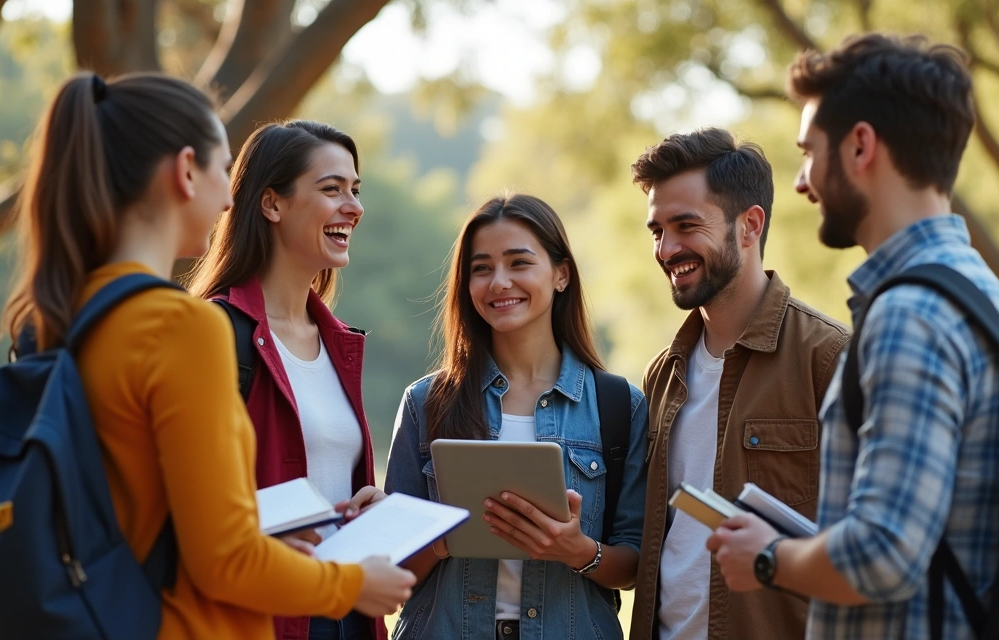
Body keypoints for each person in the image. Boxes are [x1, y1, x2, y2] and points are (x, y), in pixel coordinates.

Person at [0, 72, 414, 639]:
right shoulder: (189, 328)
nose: (227, 200)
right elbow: (223, 556)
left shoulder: (57, 316)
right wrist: (353, 584)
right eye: (223, 171)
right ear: (185, 171)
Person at [706, 34, 999, 639]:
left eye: (810, 152)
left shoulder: (909, 315)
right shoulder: (988, 298)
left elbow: (882, 555)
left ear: (861, 145)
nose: (803, 182)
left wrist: (768, 556)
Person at [384, 194, 648, 640]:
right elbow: (392, 567)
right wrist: (445, 538)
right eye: (481, 268)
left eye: (519, 263)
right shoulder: (425, 402)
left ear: (561, 274)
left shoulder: (620, 405)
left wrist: (579, 550)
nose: (499, 282)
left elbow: (637, 563)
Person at [627, 128, 849, 640]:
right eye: (657, 231)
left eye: (686, 225)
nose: (667, 248)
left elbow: (875, 550)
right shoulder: (661, 375)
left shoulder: (830, 358)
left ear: (749, 225)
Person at [188, 119, 387, 640]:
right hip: (263, 616)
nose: (354, 207)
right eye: (332, 189)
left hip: (347, 612)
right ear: (272, 204)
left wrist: (368, 509)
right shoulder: (214, 332)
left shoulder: (339, 344)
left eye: (355, 190)